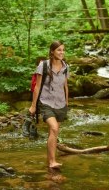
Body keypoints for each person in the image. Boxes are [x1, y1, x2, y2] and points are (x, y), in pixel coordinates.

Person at [29, 40, 69, 169]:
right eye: (59, 50)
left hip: (61, 104)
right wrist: (33, 106)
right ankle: (52, 162)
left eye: (63, 50)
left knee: (54, 133)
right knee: (54, 128)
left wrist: (67, 102)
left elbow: (65, 85)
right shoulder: (44, 65)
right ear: (52, 51)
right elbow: (37, 86)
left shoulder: (65, 66)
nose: (61, 52)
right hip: (46, 102)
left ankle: (51, 160)